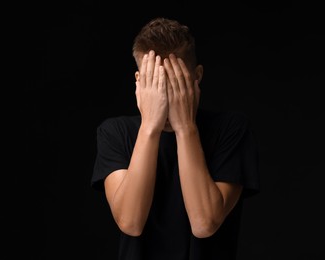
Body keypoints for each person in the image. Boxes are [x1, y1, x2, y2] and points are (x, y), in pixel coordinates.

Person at [91, 17, 260, 260]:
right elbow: (130, 222)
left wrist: (185, 127)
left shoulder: (232, 129)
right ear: (139, 82)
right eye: (155, 83)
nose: (165, 98)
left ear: (196, 76)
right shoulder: (115, 133)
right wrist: (150, 126)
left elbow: (204, 223)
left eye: (175, 83)